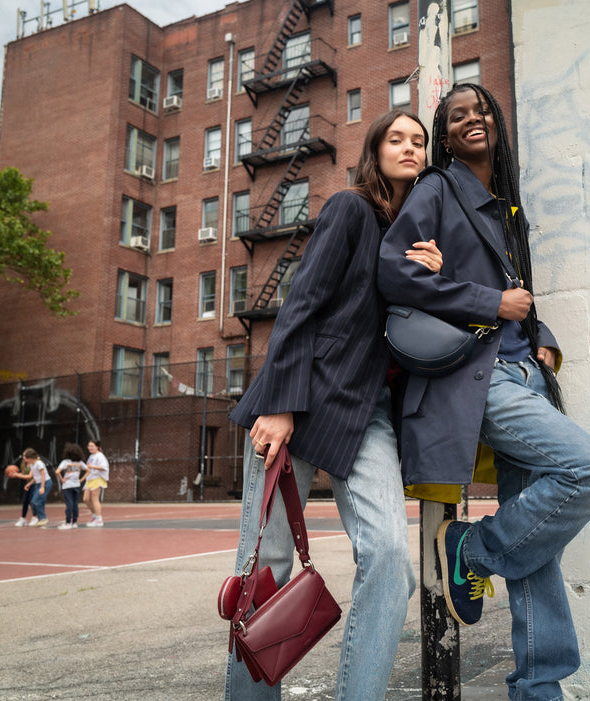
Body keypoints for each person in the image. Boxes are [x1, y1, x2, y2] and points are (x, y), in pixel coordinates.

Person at [377, 84, 590, 701]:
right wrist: (493, 304)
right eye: (456, 116)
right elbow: (393, 271)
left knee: (537, 550)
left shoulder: (504, 205)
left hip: (525, 372)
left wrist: (540, 335)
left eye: (480, 110)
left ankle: (540, 689)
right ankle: (473, 548)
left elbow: (516, 289)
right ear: (446, 133)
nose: (471, 120)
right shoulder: (436, 189)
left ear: (496, 122)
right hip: (480, 380)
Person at [224, 109, 441, 701]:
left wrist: (431, 281)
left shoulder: (418, 238)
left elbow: (414, 337)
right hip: (300, 395)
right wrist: (282, 403)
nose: (410, 147)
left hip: (365, 411)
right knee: (267, 570)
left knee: (392, 557)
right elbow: (301, 305)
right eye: (396, 138)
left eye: (419, 141)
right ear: (375, 151)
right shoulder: (350, 209)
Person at [55, 443, 86, 529]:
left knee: (69, 504)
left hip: (67, 485)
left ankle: (68, 523)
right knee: (75, 504)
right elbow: (88, 470)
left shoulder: (65, 462)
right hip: (76, 484)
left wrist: (62, 480)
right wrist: (82, 479)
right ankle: (75, 522)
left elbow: (57, 472)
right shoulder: (80, 463)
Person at [22, 448, 52, 527]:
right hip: (38, 483)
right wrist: (29, 484)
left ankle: (43, 518)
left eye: (26, 458)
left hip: (45, 483)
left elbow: (43, 475)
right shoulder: (32, 465)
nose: (24, 459)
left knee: (35, 501)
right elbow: (35, 476)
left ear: (30, 457)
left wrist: (42, 487)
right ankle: (41, 519)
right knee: (38, 501)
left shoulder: (39, 463)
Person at [82, 440, 108, 527]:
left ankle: (99, 519)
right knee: (85, 499)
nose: (90, 448)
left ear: (97, 447)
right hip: (89, 479)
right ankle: (94, 516)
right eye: (89, 446)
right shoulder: (91, 456)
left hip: (97, 479)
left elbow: (104, 467)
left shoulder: (100, 456)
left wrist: (92, 467)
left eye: (92, 446)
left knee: (94, 499)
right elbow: (88, 467)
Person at [9, 458, 36, 527]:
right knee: (25, 501)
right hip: (28, 485)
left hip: (35, 484)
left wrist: (17, 475)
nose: (24, 457)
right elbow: (23, 474)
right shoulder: (24, 464)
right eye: (23, 456)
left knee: (32, 501)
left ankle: (35, 517)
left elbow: (32, 476)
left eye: (25, 456)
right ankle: (23, 518)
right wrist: (15, 474)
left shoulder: (35, 464)